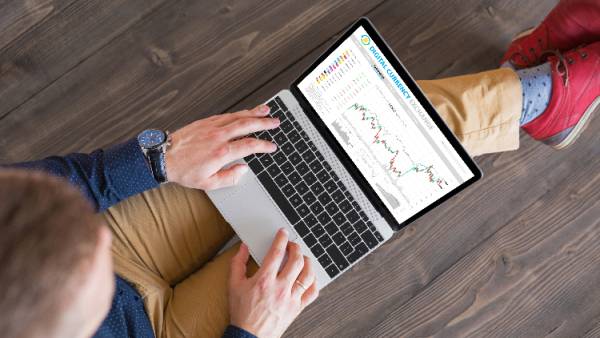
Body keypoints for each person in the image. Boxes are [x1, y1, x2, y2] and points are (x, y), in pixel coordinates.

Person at [0, 0, 598, 337]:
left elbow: (55, 192)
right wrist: (249, 332)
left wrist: (159, 159)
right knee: (347, 198)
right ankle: (542, 91)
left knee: (330, 138)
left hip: (105, 243)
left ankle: (535, 94)